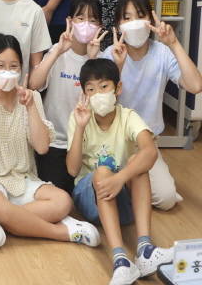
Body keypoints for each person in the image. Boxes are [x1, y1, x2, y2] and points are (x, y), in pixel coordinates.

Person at [0, 34, 99, 249]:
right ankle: (62, 233)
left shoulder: (32, 98)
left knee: (63, 201)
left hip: (22, 177)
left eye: (13, 66)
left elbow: (42, 147)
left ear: (21, 70)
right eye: (0, 66)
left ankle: (0, 221)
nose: (7, 71)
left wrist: (30, 108)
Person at [66, 58, 174, 284]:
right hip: (90, 199)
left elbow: (150, 151)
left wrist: (121, 178)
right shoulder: (79, 118)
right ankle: (120, 260)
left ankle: (145, 250)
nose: (98, 94)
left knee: (138, 161)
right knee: (103, 171)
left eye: (104, 86)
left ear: (118, 88)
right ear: (84, 94)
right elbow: (72, 169)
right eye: (91, 89)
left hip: (122, 200)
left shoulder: (128, 116)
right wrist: (80, 127)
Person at [102, 0, 202, 210]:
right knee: (103, 189)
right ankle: (131, 182)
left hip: (145, 143)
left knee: (166, 199)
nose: (134, 23)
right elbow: (102, 107)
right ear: (118, 25)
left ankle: (132, 180)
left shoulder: (162, 53)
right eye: (127, 18)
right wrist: (118, 67)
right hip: (112, 140)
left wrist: (174, 44)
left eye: (140, 16)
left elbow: (195, 85)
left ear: (150, 20)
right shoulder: (110, 54)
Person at [28, 0, 107, 194]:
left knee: (90, 192)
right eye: (80, 18)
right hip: (55, 142)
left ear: (100, 26)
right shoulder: (57, 51)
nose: (86, 24)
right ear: (70, 21)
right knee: (59, 194)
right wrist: (57, 51)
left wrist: (92, 61)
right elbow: (34, 84)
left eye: (92, 20)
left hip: (88, 144)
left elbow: (101, 105)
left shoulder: (101, 60)